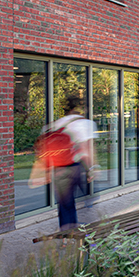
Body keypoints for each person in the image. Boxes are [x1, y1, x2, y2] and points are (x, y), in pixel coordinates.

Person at [49, 96, 97, 229]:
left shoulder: (58, 123)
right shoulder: (85, 123)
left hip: (59, 168)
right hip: (76, 167)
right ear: (79, 108)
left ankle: (65, 236)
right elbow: (86, 149)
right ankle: (83, 226)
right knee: (89, 195)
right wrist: (91, 169)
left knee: (65, 203)